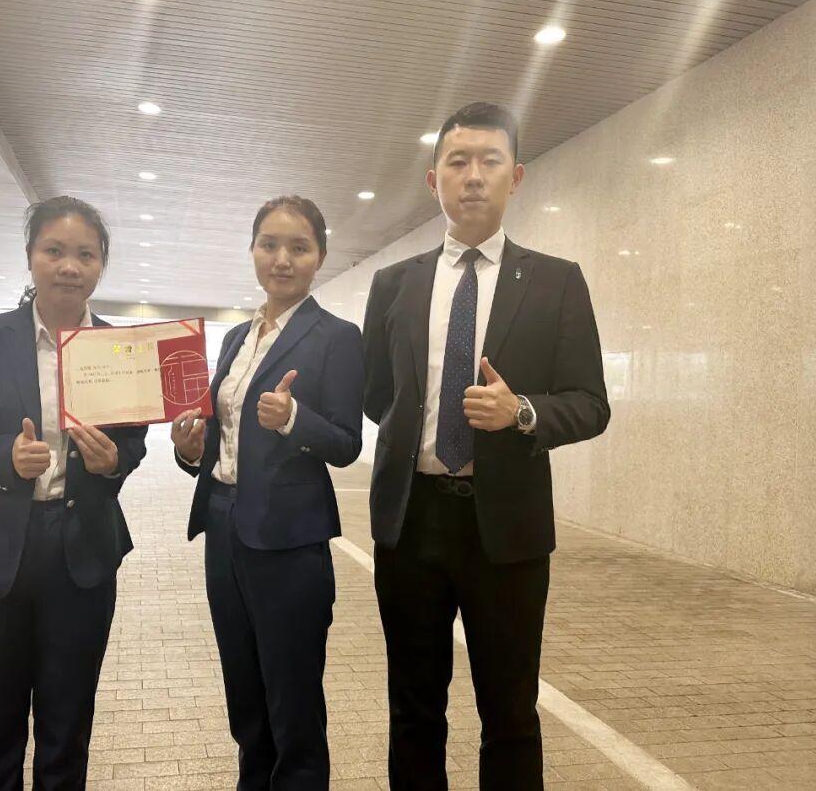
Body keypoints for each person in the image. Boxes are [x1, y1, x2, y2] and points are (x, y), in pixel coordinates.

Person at [362, 102, 611, 790]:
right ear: (433, 180)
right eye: (458, 162)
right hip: (410, 523)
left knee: (510, 712)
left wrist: (521, 411)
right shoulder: (394, 284)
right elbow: (378, 395)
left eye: (490, 161)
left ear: (516, 177)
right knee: (414, 710)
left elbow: (591, 402)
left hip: (507, 529)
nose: (473, 176)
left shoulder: (557, 280)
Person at [0, 195, 148, 790]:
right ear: (30, 256)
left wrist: (113, 462)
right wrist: (4, 457)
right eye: (55, 251)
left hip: (81, 555)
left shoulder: (119, 350)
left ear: (100, 266)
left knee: (67, 731)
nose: (69, 266)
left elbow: (132, 442)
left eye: (85, 255)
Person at [170, 195, 364, 790]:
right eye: (270, 245)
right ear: (253, 250)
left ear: (320, 256)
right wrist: (192, 449)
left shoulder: (337, 337)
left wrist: (293, 418)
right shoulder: (236, 337)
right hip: (223, 526)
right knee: (244, 689)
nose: (282, 259)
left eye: (299, 248)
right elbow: (223, 436)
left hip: (289, 540)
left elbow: (346, 443)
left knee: (292, 697)